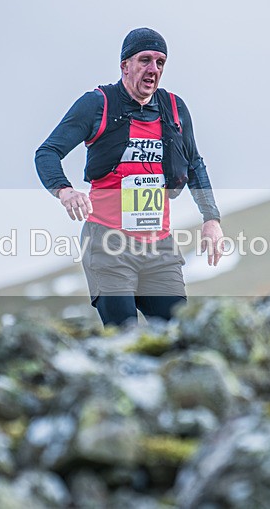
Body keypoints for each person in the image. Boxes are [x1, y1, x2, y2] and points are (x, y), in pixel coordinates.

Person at [35, 27, 223, 326]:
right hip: (108, 245)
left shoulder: (174, 109)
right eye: (145, 60)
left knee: (176, 333)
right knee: (125, 336)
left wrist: (211, 219)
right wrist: (64, 191)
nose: (153, 69)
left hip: (159, 248)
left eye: (160, 62)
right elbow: (47, 152)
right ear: (125, 65)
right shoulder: (97, 104)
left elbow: (195, 164)